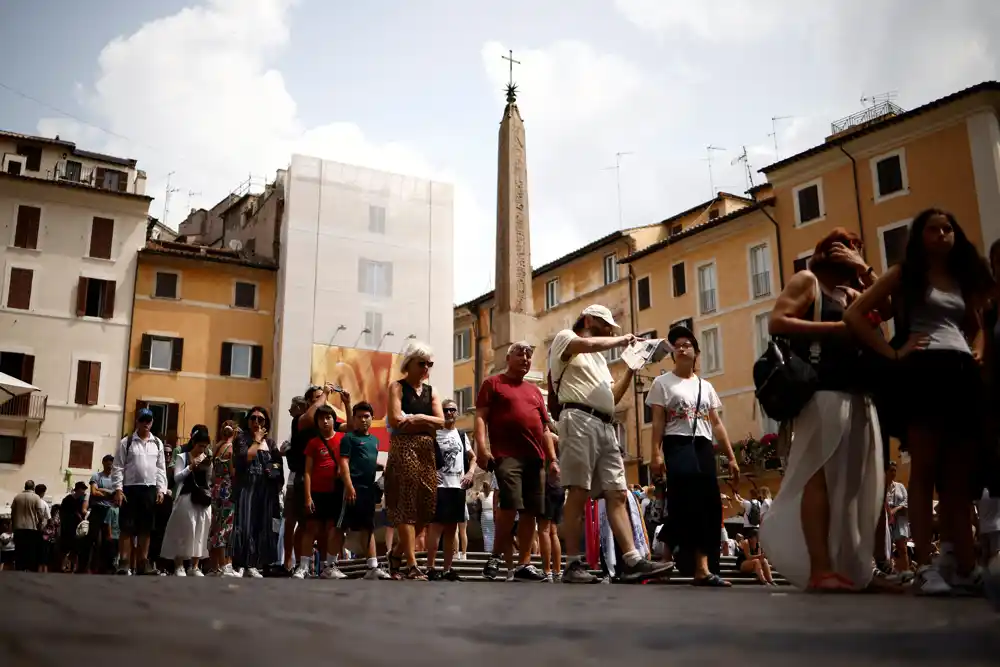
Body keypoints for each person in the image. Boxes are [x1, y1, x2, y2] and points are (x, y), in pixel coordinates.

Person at [845, 209, 994, 595]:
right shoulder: (904, 274)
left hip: (960, 373)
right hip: (924, 371)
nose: (942, 234)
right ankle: (926, 567)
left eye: (948, 228)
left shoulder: (963, 279)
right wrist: (893, 353)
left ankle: (963, 564)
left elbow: (977, 324)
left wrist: (976, 349)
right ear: (920, 236)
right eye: (933, 229)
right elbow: (854, 314)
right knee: (925, 469)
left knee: (958, 478)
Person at [762, 228, 887, 592]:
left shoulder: (855, 292)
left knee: (855, 484)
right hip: (823, 392)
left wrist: (865, 270)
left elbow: (892, 306)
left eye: (858, 249)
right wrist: (836, 328)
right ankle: (821, 569)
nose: (853, 253)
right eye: (848, 247)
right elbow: (778, 320)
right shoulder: (808, 282)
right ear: (829, 250)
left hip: (859, 394)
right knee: (819, 478)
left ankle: (858, 570)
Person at [550, 304, 674, 584]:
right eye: (606, 325)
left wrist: (631, 369)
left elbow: (612, 398)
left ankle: (631, 560)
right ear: (590, 319)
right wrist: (622, 340)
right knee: (578, 492)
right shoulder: (565, 339)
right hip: (578, 418)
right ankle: (571, 564)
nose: (610, 330)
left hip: (605, 424)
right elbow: (590, 343)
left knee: (617, 493)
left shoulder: (600, 363)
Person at [648, 325, 740, 586]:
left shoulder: (705, 386)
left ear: (696, 352)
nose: (681, 347)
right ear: (673, 353)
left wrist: (731, 457)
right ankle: (670, 558)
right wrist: (655, 454)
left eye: (687, 344)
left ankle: (702, 567)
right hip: (677, 443)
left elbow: (717, 424)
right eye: (677, 345)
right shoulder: (662, 383)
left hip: (702, 444)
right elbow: (657, 423)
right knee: (684, 498)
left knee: (709, 504)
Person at [476, 342, 553, 582]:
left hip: (535, 457)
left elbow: (545, 429)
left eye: (529, 356)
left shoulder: (534, 391)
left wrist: (552, 459)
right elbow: (480, 417)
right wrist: (481, 448)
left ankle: (524, 564)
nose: (526, 359)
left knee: (531, 511)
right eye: (520, 354)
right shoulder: (493, 383)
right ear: (508, 358)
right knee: (509, 505)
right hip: (506, 455)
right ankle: (495, 556)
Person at [385, 341, 444, 580]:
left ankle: (396, 553)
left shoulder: (432, 391)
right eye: (422, 363)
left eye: (429, 364)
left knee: (427, 508)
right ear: (409, 363)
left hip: (427, 450)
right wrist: (428, 420)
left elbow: (443, 422)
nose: (426, 368)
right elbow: (396, 419)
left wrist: (418, 416)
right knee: (407, 506)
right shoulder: (396, 387)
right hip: (403, 447)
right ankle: (411, 564)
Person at [335, 401, 390, 580]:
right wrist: (349, 486)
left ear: (372, 419)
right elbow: (344, 463)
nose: (363, 420)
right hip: (351, 489)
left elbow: (366, 461)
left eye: (367, 416)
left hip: (368, 490)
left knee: (368, 528)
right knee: (340, 527)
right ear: (355, 419)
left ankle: (372, 567)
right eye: (359, 417)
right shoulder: (348, 438)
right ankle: (329, 565)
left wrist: (382, 466)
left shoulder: (374, 441)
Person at [112, 408, 168, 575]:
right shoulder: (127, 442)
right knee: (127, 528)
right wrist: (118, 489)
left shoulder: (157, 443)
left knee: (146, 528)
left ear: (152, 422)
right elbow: (118, 467)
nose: (146, 423)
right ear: (137, 421)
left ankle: (143, 563)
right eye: (143, 420)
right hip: (130, 488)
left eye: (148, 420)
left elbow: (161, 469)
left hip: (149, 489)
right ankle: (124, 562)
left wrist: (161, 489)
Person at [426, 398, 476, 581]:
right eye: (445, 410)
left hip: (457, 486)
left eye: (452, 410)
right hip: (440, 487)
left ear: (456, 412)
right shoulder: (435, 434)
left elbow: (473, 457)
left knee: (451, 529)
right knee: (436, 529)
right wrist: (430, 473)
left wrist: (470, 473)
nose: (449, 413)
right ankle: (430, 567)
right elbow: (425, 457)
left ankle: (447, 568)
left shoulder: (462, 435)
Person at [232, 407, 283, 578]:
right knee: (245, 526)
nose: (256, 422)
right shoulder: (242, 439)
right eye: (253, 418)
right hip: (247, 488)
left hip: (265, 489)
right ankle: (244, 563)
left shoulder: (271, 444)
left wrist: (274, 472)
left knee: (262, 527)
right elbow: (245, 458)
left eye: (260, 419)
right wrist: (256, 440)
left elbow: (277, 465)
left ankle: (257, 563)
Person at [299, 404, 346, 580]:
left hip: (335, 492)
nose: (325, 421)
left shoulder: (342, 439)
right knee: (311, 528)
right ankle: (303, 567)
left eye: (328, 418)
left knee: (333, 530)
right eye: (321, 418)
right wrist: (308, 496)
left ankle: (329, 566)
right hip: (317, 492)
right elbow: (307, 472)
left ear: (334, 419)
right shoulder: (313, 443)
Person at [161, 425, 214, 576]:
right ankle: (179, 564)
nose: (202, 449)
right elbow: (177, 477)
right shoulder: (182, 457)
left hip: (202, 499)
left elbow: (210, 480)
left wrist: (208, 466)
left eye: (204, 447)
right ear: (193, 443)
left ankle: (195, 565)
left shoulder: (207, 457)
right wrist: (191, 467)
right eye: (199, 446)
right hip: (186, 497)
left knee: (201, 530)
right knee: (184, 530)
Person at [208, 421, 237, 576]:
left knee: (215, 526)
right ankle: (225, 564)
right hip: (227, 489)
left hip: (216, 489)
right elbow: (233, 472)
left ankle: (214, 566)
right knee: (225, 526)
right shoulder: (230, 449)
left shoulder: (217, 448)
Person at [538, 429, 564, 582]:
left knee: (544, 530)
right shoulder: (560, 439)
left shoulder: (546, 436)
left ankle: (547, 571)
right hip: (559, 486)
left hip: (546, 485)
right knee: (553, 532)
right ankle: (557, 571)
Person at [83, 455, 116, 573]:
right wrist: (108, 493)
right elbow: (93, 492)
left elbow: (116, 494)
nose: (110, 465)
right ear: (103, 463)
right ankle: (87, 566)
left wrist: (100, 490)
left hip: (110, 510)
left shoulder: (115, 478)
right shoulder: (97, 476)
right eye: (107, 462)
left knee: (109, 540)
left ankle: (105, 567)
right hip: (97, 510)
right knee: (92, 539)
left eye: (111, 462)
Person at [11, 480, 48, 572]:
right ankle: (29, 571)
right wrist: (40, 524)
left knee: (19, 551)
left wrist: (13, 526)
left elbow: (12, 513)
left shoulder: (17, 497)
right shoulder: (36, 498)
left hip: (18, 528)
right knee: (31, 552)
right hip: (31, 528)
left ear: (25, 487)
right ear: (33, 487)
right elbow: (40, 513)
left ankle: (19, 570)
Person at [885, 462, 911, 576]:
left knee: (902, 547)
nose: (893, 473)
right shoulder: (882, 486)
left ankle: (906, 571)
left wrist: (896, 509)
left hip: (899, 519)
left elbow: (906, 501)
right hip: (886, 519)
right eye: (891, 470)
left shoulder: (900, 486)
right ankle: (890, 571)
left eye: (895, 470)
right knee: (887, 547)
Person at [58, 482, 88, 573]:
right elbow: (62, 513)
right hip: (67, 527)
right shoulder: (68, 499)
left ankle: (74, 567)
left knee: (76, 549)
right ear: (78, 489)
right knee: (65, 549)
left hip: (77, 529)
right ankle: (63, 566)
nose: (83, 491)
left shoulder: (81, 500)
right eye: (82, 489)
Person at [477, 481, 495, 554]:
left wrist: (480, 490)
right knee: (493, 531)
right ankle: (493, 548)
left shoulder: (481, 494)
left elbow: (474, 497)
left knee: (486, 533)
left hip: (485, 513)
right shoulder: (493, 493)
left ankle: (487, 549)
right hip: (492, 513)